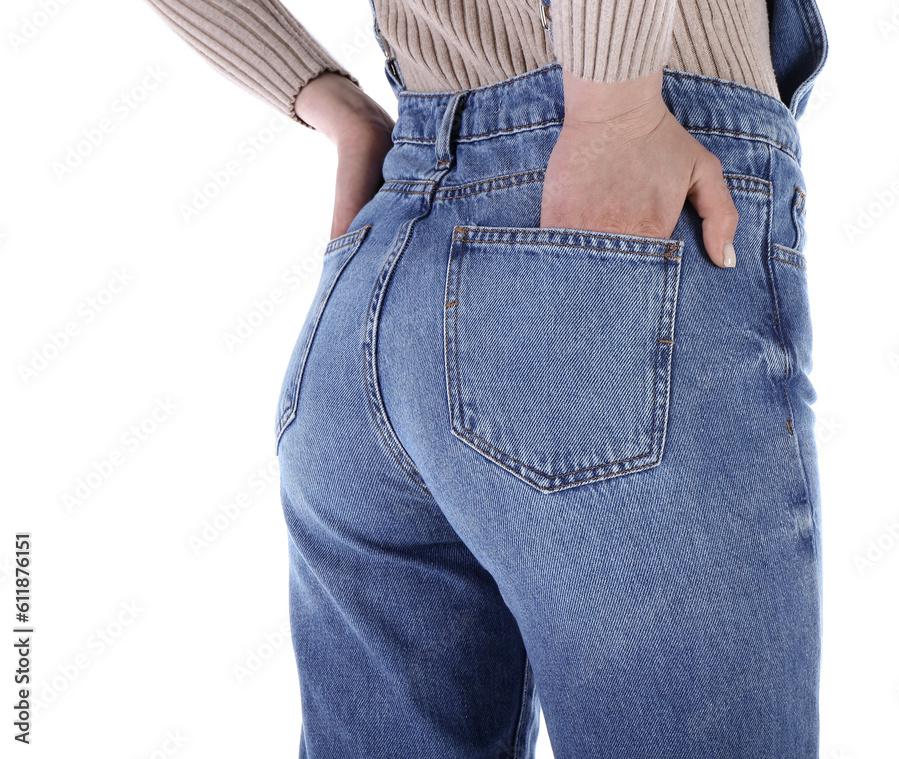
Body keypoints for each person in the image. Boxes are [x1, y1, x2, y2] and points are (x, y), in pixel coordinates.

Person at [145, 0, 829, 756]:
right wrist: (614, 106)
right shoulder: (617, 114)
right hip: (622, 224)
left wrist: (329, 103)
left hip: (381, 271)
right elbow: (613, 93)